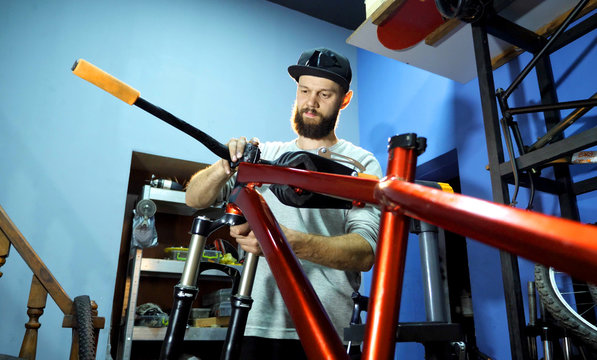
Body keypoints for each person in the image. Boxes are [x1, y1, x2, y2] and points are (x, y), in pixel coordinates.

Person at [185, 47, 382, 359]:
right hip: (255, 323)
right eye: (304, 91)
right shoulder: (267, 154)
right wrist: (225, 165)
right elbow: (194, 198)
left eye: (324, 94)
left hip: (327, 327)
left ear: (344, 99)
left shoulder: (360, 164)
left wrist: (282, 242)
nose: (311, 103)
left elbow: (365, 253)